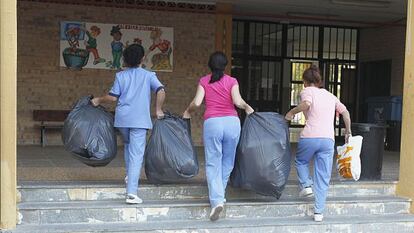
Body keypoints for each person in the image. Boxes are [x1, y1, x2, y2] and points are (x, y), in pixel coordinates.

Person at [183, 51, 254, 221]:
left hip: (213, 123)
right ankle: (219, 195)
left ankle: (216, 200)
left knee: (213, 162)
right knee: (227, 161)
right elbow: (238, 102)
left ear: (210, 65)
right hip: (232, 123)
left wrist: (187, 111)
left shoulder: (204, 81)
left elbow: (197, 102)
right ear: (225, 65)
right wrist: (247, 107)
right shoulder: (232, 81)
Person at [91, 44, 166, 204]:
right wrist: (158, 109)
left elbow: (112, 98)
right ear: (142, 58)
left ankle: (129, 176)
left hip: (123, 119)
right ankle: (131, 193)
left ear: (125, 59)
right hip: (139, 120)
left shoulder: (121, 76)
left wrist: (98, 99)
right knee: (137, 154)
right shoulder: (149, 75)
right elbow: (160, 91)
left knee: (128, 146)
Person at [285, 65, 351, 222]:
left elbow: (306, 104)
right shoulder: (331, 96)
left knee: (301, 161)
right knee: (322, 176)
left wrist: (291, 112)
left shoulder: (307, 91)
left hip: (310, 136)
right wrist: (348, 131)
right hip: (328, 140)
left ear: (305, 82)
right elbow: (345, 113)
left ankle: (306, 185)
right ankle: (319, 213)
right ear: (319, 80)